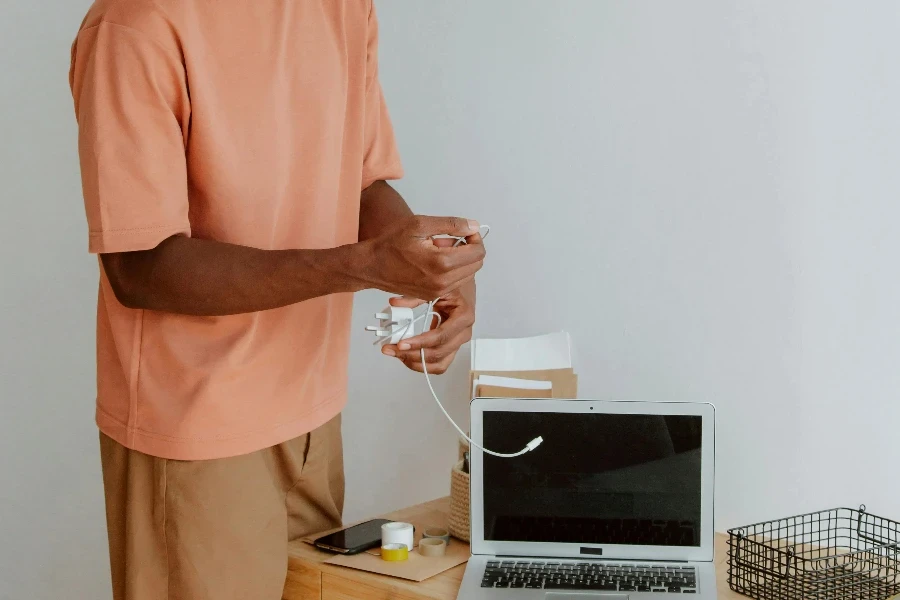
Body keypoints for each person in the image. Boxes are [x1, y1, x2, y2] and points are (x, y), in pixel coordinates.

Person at [68, 1, 485, 598]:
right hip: (198, 427)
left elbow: (361, 179)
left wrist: (428, 261)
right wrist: (361, 266)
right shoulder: (136, 23)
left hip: (314, 413)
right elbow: (141, 265)